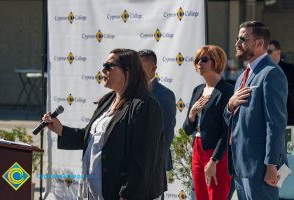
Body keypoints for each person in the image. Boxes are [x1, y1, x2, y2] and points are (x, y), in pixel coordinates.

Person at [42, 48, 164, 200]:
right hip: (94, 191)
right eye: (103, 65)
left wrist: (127, 194)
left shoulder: (145, 104)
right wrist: (61, 129)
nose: (103, 70)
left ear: (128, 71)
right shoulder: (108, 100)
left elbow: (143, 160)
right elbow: (92, 138)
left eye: (108, 66)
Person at [224, 21, 288, 200]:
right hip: (240, 165)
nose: (237, 43)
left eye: (243, 39)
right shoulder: (243, 76)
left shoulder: (271, 73)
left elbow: (275, 124)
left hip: (260, 168)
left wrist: (271, 164)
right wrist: (230, 105)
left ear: (260, 44)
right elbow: (230, 118)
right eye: (237, 38)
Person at [183, 45, 233, 200]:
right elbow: (186, 129)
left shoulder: (226, 91)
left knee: (216, 196)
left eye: (204, 59)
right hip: (197, 149)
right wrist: (192, 115)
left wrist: (214, 160)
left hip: (217, 152)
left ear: (216, 62)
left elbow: (227, 131)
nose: (199, 63)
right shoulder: (198, 90)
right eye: (198, 59)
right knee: (201, 196)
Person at [138, 49, 177, 199]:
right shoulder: (131, 92)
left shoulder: (164, 95)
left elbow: (166, 134)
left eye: (141, 67)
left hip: (153, 169)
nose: (137, 72)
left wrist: (155, 167)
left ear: (154, 68)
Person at [268, 40, 294, 125]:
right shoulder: (263, 70)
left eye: (269, 51)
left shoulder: (290, 69)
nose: (266, 55)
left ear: (278, 51)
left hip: (288, 116)